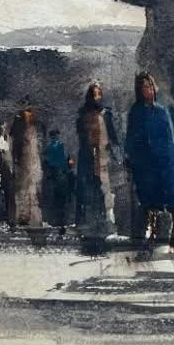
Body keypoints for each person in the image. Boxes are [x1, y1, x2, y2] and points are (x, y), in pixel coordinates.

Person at [125, 72, 174, 261]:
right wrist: (130, 157)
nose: (148, 90)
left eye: (149, 86)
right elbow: (131, 137)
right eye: (143, 87)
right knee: (150, 205)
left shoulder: (165, 109)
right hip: (148, 164)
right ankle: (149, 241)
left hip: (170, 162)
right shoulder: (136, 112)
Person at [74, 83, 119, 243]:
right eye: (94, 94)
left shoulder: (105, 114)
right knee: (88, 187)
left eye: (99, 94)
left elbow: (112, 136)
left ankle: (103, 219)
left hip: (102, 156)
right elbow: (81, 136)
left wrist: (115, 153)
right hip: (87, 156)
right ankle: (87, 221)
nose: (97, 98)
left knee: (103, 187)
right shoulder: (83, 115)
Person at [8, 102, 45, 231]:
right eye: (26, 113)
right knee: (23, 188)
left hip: (31, 160)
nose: (28, 115)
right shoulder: (19, 126)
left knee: (31, 187)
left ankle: (31, 216)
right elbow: (16, 143)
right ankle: (23, 216)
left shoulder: (34, 127)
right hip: (23, 160)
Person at [42, 127, 74, 234]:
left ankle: (57, 222)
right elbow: (69, 160)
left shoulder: (49, 148)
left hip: (54, 176)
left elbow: (46, 162)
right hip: (61, 175)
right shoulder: (60, 146)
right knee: (63, 199)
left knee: (56, 200)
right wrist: (70, 167)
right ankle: (62, 222)